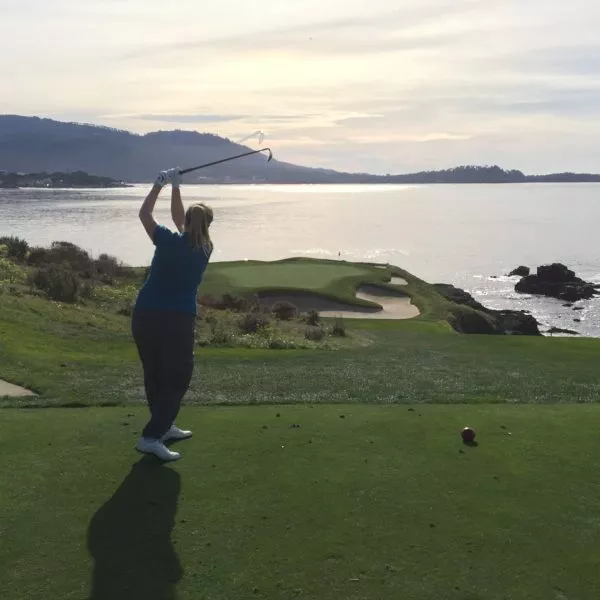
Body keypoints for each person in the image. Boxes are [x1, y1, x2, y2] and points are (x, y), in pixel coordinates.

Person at [132, 167, 213, 461]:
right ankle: (151, 436)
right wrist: (176, 188)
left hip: (144, 316)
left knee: (154, 374)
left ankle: (162, 427)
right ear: (209, 225)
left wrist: (161, 185)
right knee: (177, 377)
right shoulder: (205, 248)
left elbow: (145, 215)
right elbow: (184, 222)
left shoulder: (166, 239)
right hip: (176, 320)